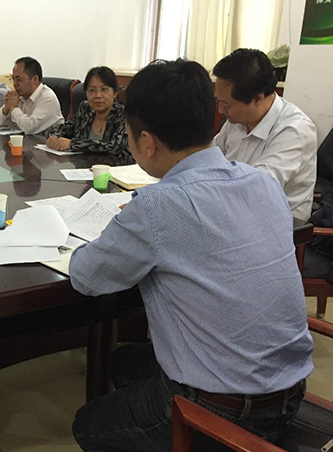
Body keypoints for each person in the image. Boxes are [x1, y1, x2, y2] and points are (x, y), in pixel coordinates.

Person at [69, 59, 313, 452]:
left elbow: (85, 276)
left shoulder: (157, 206)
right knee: (124, 362)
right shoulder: (263, 184)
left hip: (225, 409)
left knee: (88, 424)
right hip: (291, 389)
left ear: (147, 142)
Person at [213, 48, 317, 221]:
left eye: (227, 104)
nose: (221, 110)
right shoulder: (237, 120)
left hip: (274, 223)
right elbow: (211, 156)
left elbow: (257, 188)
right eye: (219, 101)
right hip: (233, 210)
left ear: (257, 99)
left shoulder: (295, 130)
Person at [45, 66, 132, 160]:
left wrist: (72, 144)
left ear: (115, 93)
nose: (98, 95)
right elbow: (60, 128)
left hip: (116, 167)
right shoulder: (85, 109)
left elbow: (114, 147)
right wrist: (54, 138)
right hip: (84, 166)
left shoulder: (124, 114)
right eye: (92, 90)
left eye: (104, 89)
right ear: (86, 93)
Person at [0, 56, 63, 135]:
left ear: (35, 79)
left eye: (19, 80)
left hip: (47, 141)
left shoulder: (47, 98)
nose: (14, 84)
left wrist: (14, 108)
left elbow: (29, 128)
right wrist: (6, 108)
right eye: (13, 79)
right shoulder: (19, 96)